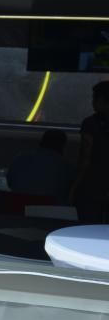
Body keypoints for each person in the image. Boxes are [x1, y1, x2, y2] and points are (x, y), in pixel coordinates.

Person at [70, 80, 109, 222]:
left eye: (94, 99)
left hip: (93, 184)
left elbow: (85, 159)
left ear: (101, 100)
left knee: (88, 223)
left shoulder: (90, 124)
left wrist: (74, 188)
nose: (92, 102)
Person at [7, 129, 71, 204]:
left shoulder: (21, 158)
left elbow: (10, 182)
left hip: (17, 206)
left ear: (42, 141)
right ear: (62, 146)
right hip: (49, 208)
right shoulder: (65, 166)